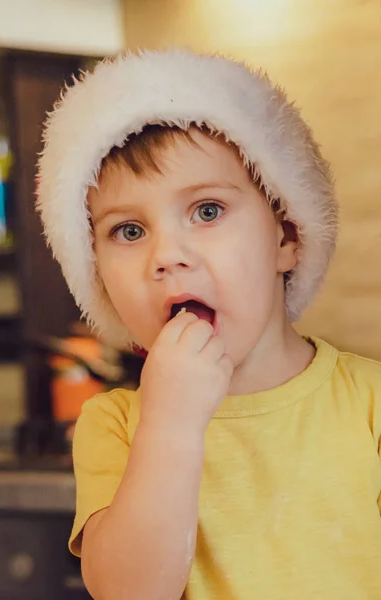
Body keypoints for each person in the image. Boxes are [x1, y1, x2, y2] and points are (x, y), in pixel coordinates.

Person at [36, 49, 381, 600]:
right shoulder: (117, 425)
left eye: (207, 210)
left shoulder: (370, 404)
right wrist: (170, 422)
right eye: (128, 231)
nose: (167, 255)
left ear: (287, 237)